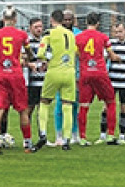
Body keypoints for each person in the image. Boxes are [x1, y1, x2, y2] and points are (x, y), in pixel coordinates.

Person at [0, 6, 35, 154]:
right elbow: (29, 52)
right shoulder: (22, 35)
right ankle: (27, 143)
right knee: (22, 110)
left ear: (3, 19)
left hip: (1, 75)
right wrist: (30, 56)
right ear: (15, 19)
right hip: (16, 75)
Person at [74, 13, 120, 147]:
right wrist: (118, 58)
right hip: (100, 73)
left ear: (86, 22)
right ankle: (110, 135)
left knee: (83, 106)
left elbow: (76, 53)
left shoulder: (78, 38)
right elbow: (111, 55)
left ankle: (82, 137)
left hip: (85, 73)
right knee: (111, 101)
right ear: (98, 23)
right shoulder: (103, 37)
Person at [36, 10, 78, 151]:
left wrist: (47, 59)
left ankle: (43, 133)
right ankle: (66, 140)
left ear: (51, 19)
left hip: (54, 71)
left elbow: (41, 53)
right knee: (67, 106)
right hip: (69, 73)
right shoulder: (72, 35)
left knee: (45, 101)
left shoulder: (49, 33)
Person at [54, 9, 82, 144]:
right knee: (60, 104)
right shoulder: (56, 33)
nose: (67, 22)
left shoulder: (78, 34)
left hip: (75, 74)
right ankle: (59, 135)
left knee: (75, 104)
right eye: (65, 19)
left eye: (69, 19)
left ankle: (74, 133)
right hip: (60, 73)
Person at [25, 18, 49, 146]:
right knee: (29, 109)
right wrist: (30, 64)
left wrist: (48, 63)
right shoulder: (27, 43)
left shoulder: (46, 42)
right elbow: (22, 60)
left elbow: (50, 57)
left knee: (42, 109)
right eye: (36, 27)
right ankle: (27, 138)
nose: (39, 29)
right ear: (30, 28)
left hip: (44, 82)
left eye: (40, 26)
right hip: (31, 82)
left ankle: (43, 136)